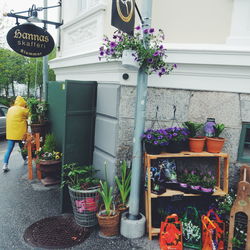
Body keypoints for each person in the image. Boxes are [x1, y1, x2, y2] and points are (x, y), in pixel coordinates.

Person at [2, 96, 29, 172]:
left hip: (11, 133)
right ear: (23, 102)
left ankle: (5, 164)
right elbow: (28, 115)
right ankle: (26, 160)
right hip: (21, 134)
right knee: (23, 147)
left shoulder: (10, 109)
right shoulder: (23, 110)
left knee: (9, 149)